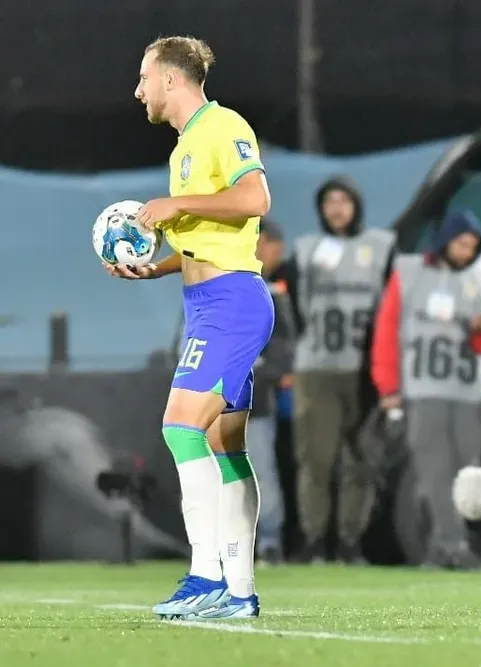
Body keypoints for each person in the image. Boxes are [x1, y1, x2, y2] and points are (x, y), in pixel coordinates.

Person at [107, 36, 273, 620]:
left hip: (232, 300)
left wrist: (176, 207)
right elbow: (202, 236)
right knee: (226, 445)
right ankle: (242, 592)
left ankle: (206, 575)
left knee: (181, 427)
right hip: (208, 301)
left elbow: (255, 197)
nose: (138, 90)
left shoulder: (222, 125)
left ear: (171, 79)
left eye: (143, 77)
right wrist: (156, 265)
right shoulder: (183, 149)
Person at [370, 210, 481, 569]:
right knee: (433, 473)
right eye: (461, 244)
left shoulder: (479, 280)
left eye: (473, 247)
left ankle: (442, 550)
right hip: (424, 392)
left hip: (466, 394)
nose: (467, 253)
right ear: (445, 240)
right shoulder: (409, 274)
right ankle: (452, 547)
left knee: (465, 474)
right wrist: (389, 389)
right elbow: (386, 333)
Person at [280, 176, 395, 564]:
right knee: (316, 459)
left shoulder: (380, 248)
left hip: (362, 368)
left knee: (359, 461)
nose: (337, 208)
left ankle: (350, 541)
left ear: (357, 205)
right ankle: (313, 539)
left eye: (344, 200)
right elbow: (292, 305)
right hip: (317, 367)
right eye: (329, 201)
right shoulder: (308, 250)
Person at [246, 219, 297, 565]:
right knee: (217, 473)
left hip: (256, 400)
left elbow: (284, 346)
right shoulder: (216, 282)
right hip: (214, 400)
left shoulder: (274, 293)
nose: (278, 256)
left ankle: (268, 540)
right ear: (261, 242)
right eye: (276, 247)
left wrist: (264, 370)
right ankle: (215, 544)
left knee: (261, 471)